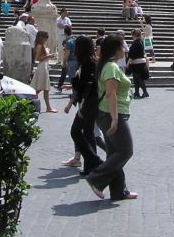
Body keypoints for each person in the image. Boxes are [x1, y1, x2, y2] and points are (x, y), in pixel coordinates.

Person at [86, 34, 138, 201]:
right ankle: (96, 178)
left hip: (106, 114)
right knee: (126, 150)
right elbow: (110, 94)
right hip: (111, 114)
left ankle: (118, 191)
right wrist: (115, 119)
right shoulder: (111, 68)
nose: (125, 49)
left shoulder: (109, 65)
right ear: (116, 50)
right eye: (123, 46)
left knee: (114, 152)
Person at [62, 35, 102, 176]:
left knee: (76, 131)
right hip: (93, 102)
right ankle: (90, 166)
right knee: (88, 132)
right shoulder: (92, 61)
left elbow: (86, 86)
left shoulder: (86, 63)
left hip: (88, 103)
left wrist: (73, 79)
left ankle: (94, 160)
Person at [31, 31, 58, 113]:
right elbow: (37, 58)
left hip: (44, 66)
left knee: (43, 88)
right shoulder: (39, 46)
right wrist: (49, 55)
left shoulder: (40, 45)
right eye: (45, 38)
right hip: (42, 67)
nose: (46, 40)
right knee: (41, 88)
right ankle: (48, 107)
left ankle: (48, 107)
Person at [126, 29, 150, 99]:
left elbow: (132, 54)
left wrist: (128, 63)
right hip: (141, 62)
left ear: (134, 35)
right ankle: (137, 92)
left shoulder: (135, 43)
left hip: (137, 63)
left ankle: (145, 92)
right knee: (136, 78)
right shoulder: (141, 42)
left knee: (138, 78)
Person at [56, 25, 76, 92]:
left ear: (65, 33)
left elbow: (67, 53)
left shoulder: (68, 42)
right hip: (76, 60)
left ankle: (75, 93)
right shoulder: (74, 39)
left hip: (70, 61)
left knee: (72, 78)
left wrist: (64, 62)